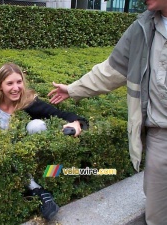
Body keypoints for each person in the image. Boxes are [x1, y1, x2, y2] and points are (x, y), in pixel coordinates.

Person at [48, 2, 167, 224]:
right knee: (157, 210)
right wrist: (73, 89)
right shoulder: (142, 27)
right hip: (161, 135)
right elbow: (110, 71)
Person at [0, 62, 88, 220]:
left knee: (37, 125)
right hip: (1, 150)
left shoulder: (28, 101)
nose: (16, 88)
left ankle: (40, 183)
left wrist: (77, 122)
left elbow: (59, 113)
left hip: (24, 150)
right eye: (10, 83)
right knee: (7, 152)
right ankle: (38, 191)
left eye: (19, 82)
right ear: (0, 86)